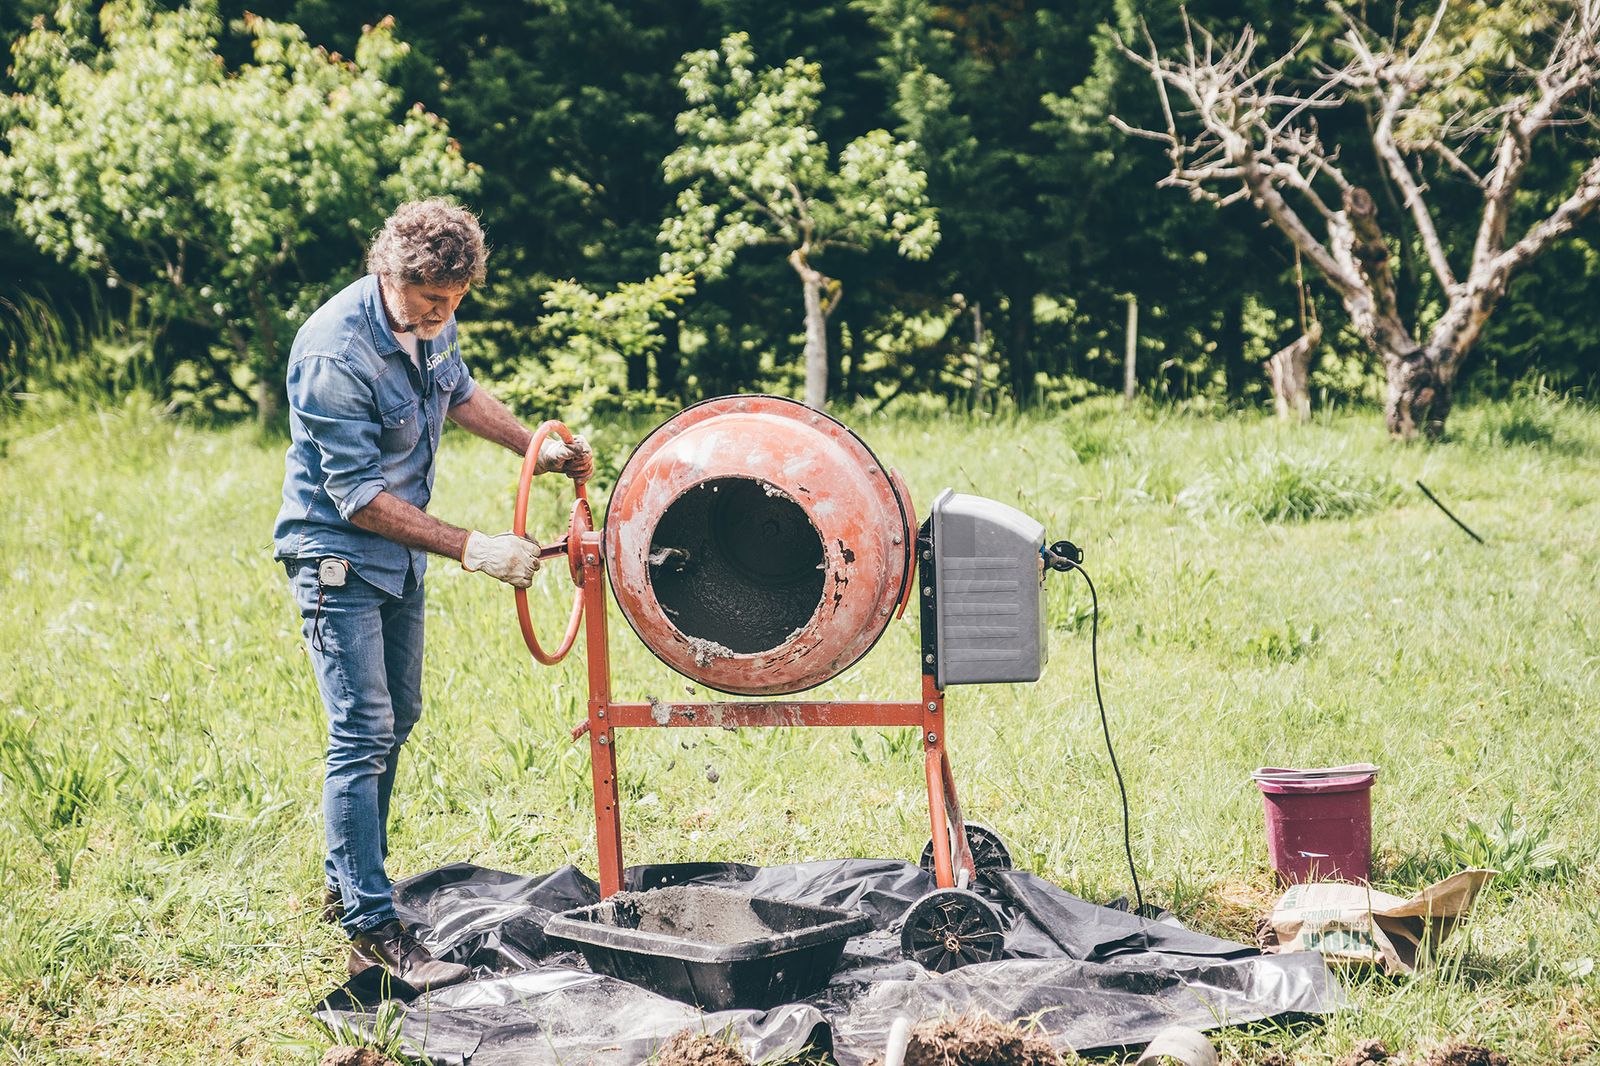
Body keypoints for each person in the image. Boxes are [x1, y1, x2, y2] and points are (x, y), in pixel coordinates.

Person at [272, 199, 591, 989]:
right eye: (429, 302)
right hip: (337, 555)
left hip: (398, 560)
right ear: (390, 272)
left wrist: (537, 451)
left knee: (398, 716)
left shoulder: (432, 315)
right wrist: (475, 549)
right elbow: (357, 498)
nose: (441, 316)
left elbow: (456, 391)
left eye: (454, 302)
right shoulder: (331, 354)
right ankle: (371, 925)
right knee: (363, 730)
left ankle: (348, 880)